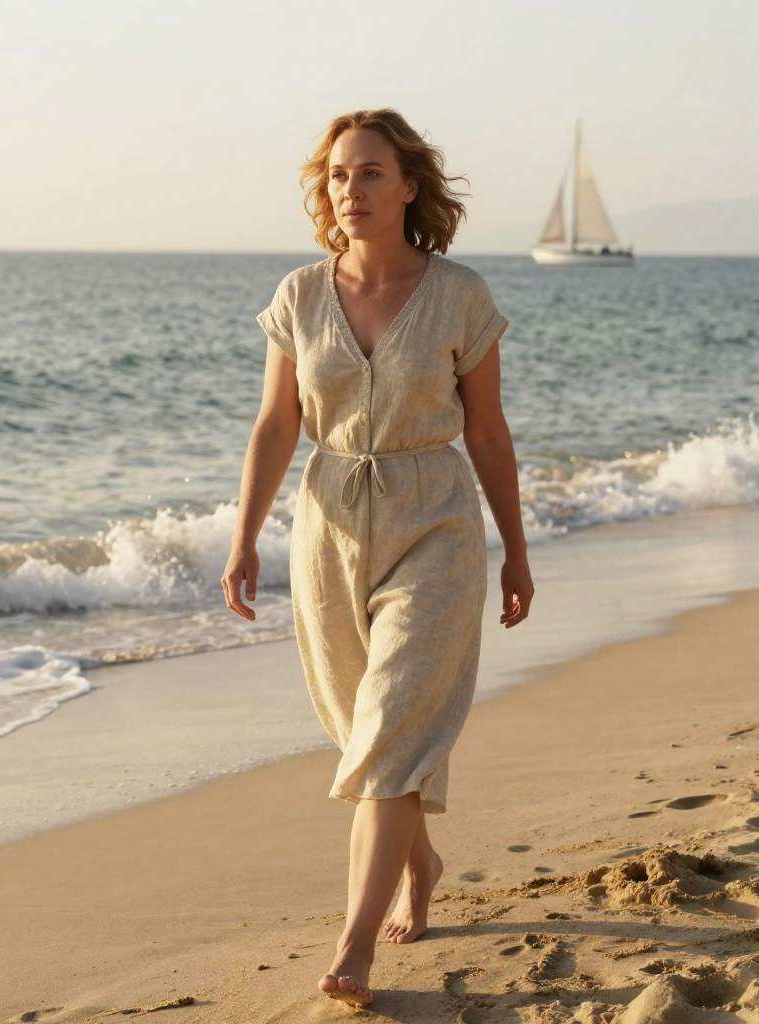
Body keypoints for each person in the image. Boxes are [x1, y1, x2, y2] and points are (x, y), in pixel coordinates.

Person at [221, 108, 534, 1008]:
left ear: (408, 186)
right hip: (327, 529)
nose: (348, 191)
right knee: (363, 733)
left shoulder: (461, 296)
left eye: (367, 174)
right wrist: (244, 539)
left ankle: (354, 946)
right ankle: (418, 858)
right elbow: (278, 424)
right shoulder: (298, 296)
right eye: (336, 177)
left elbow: (488, 431)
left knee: (394, 731)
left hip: (434, 521)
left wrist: (516, 551)